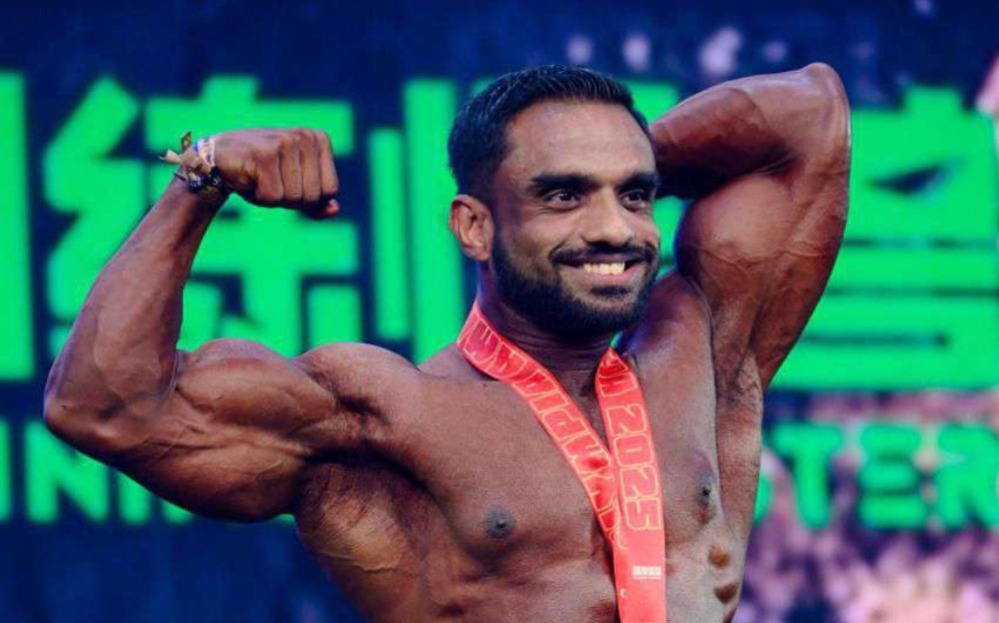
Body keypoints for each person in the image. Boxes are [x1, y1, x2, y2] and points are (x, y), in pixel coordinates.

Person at [43, 63, 849, 623]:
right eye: (562, 195)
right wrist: (201, 181)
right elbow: (101, 407)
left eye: (633, 197)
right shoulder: (388, 414)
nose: (614, 228)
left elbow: (809, 114)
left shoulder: (698, 351)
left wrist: (617, 154)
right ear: (474, 225)